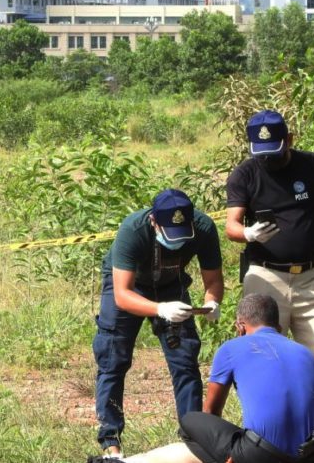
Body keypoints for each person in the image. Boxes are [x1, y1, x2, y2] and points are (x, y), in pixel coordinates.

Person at [224, 110, 314, 463]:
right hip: (265, 276)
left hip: (312, 277)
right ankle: (260, 435)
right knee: (261, 355)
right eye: (261, 150)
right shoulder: (245, 174)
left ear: (290, 139)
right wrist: (247, 233)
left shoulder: (313, 166)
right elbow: (232, 225)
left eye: (274, 148)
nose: (268, 157)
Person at [87, 294, 314, 463]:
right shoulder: (306, 353)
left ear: (240, 326)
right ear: (278, 325)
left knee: (192, 422)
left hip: (261, 455)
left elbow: (211, 412)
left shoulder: (233, 348)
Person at [93, 189, 225, 459]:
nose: (176, 240)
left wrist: (212, 303)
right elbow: (122, 294)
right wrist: (160, 309)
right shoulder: (133, 229)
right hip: (129, 284)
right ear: (154, 222)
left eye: (181, 233)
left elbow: (213, 281)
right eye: (169, 233)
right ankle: (111, 446)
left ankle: (194, 442)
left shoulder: (203, 228)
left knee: (185, 360)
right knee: (113, 359)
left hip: (171, 285)